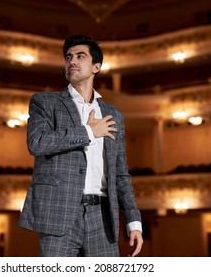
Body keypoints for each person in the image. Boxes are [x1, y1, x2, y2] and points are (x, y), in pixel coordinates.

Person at [19, 35, 143, 257]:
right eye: (68, 57)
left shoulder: (113, 114)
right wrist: (89, 132)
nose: (72, 61)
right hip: (59, 212)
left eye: (80, 56)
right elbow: (37, 143)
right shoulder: (45, 102)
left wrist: (134, 221)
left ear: (96, 66)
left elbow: (121, 173)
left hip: (103, 215)